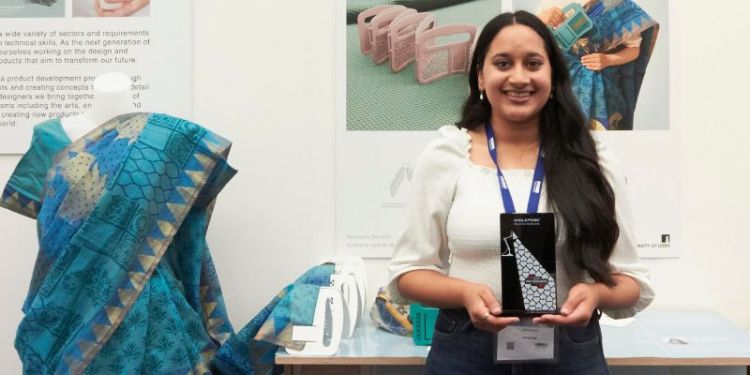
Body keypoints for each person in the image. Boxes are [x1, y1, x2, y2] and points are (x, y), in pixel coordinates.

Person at [387, 10, 653, 374]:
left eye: (533, 63)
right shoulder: (447, 153)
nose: (518, 77)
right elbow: (409, 272)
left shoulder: (593, 156)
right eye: (502, 63)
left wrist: (595, 294)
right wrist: (464, 293)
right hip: (466, 349)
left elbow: (631, 282)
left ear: (553, 75)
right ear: (481, 76)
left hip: (569, 352)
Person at [538, 0, 658, 130]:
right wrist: (540, 19)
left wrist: (607, 59)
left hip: (602, 86)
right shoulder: (548, 3)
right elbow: (527, 42)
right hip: (559, 82)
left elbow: (634, 49)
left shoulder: (618, 5)